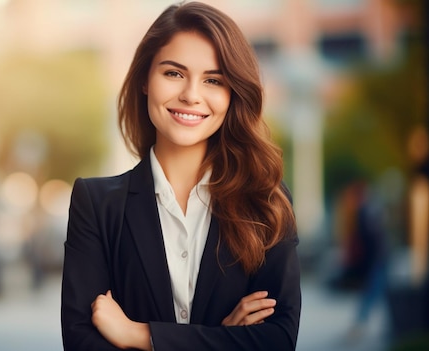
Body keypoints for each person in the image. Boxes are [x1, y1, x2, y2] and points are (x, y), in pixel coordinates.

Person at [61, 2, 301, 350]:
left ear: (232, 94)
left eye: (213, 80)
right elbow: (83, 344)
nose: (191, 95)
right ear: (145, 79)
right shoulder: (96, 206)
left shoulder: (266, 202)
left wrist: (139, 335)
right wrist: (225, 338)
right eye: (173, 73)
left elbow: (277, 341)